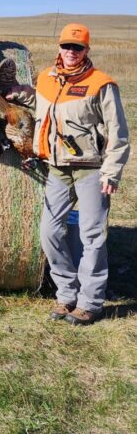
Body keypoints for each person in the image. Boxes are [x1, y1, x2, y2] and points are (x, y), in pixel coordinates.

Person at [33, 23, 129, 326]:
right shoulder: (45, 80)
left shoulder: (101, 83)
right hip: (57, 169)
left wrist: (111, 173)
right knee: (48, 232)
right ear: (59, 48)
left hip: (91, 169)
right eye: (66, 46)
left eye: (77, 47)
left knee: (92, 236)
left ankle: (90, 302)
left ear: (87, 50)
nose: (71, 52)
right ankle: (66, 293)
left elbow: (119, 133)